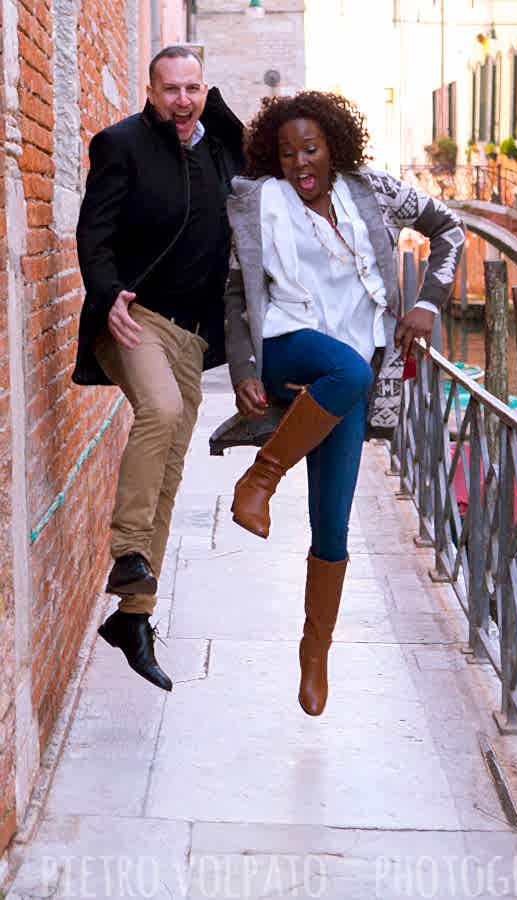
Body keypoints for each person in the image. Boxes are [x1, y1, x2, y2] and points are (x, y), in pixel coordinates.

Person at [214, 91, 464, 716]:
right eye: (287, 151)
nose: (301, 162)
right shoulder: (255, 204)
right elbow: (236, 293)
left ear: (333, 147)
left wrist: (428, 301)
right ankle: (261, 478)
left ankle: (314, 650)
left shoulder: (371, 192)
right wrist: (245, 368)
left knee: (334, 522)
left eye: (311, 148)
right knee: (347, 365)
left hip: (350, 375)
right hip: (289, 344)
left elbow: (448, 229)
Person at [74, 46, 246, 691]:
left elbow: (249, 143)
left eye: (193, 89)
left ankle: (133, 618)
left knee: (171, 466)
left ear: (206, 89)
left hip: (193, 336)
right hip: (134, 316)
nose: (181, 100)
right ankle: (127, 553)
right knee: (163, 411)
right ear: (149, 90)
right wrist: (107, 289)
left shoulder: (221, 148)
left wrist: (214, 108)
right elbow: (94, 230)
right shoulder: (120, 144)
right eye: (169, 88)